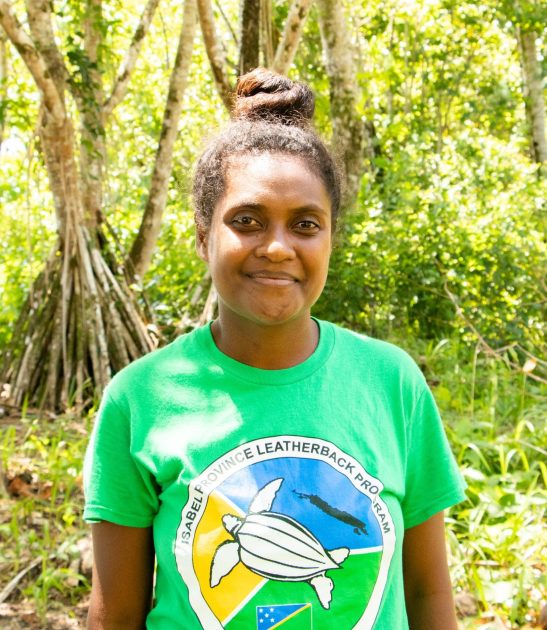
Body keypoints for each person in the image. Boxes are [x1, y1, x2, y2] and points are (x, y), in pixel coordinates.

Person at [84, 68, 466, 629]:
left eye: (306, 224)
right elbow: (114, 614)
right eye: (247, 220)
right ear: (202, 235)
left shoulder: (391, 382)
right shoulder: (140, 399)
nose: (278, 247)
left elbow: (429, 593)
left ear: (331, 238)